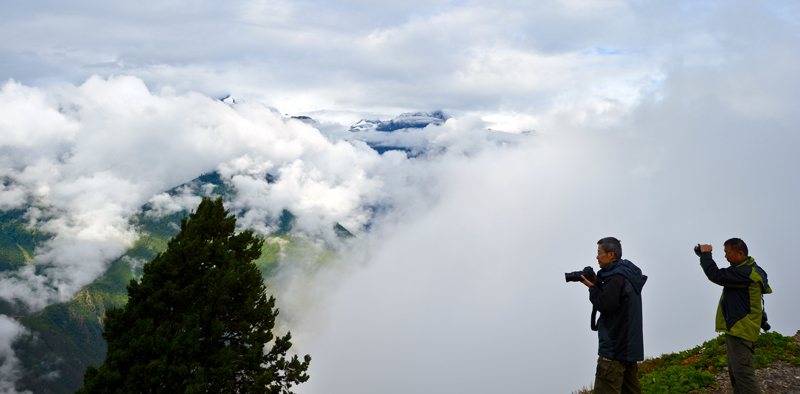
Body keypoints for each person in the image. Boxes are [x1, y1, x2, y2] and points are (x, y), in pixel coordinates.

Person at [695, 238, 771, 394]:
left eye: (727, 252)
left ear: (740, 253)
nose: (725, 256)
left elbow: (716, 275)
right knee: (736, 374)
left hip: (741, 328)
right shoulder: (751, 269)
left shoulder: (745, 273)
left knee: (744, 374)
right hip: (739, 328)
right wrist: (703, 256)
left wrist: (706, 255)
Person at [580, 237, 647, 394]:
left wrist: (592, 288)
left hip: (613, 351)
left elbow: (605, 305)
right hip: (629, 350)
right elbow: (616, 302)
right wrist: (598, 283)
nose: (597, 257)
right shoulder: (627, 275)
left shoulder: (616, 279)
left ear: (611, 255)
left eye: (599, 253)